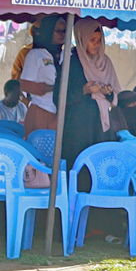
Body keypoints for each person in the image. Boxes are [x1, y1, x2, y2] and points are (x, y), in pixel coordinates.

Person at [61, 18, 120, 166]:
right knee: (80, 168)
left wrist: (108, 93)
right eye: (92, 39)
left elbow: (115, 94)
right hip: (79, 128)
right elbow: (59, 98)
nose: (96, 44)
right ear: (82, 38)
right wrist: (83, 91)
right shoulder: (71, 62)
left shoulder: (105, 61)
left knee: (101, 166)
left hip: (102, 127)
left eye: (99, 40)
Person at [19, 14, 66, 137]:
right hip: (41, 111)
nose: (62, 34)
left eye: (65, 31)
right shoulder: (36, 55)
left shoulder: (67, 55)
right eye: (58, 31)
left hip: (61, 113)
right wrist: (51, 88)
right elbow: (24, 85)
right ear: (48, 31)